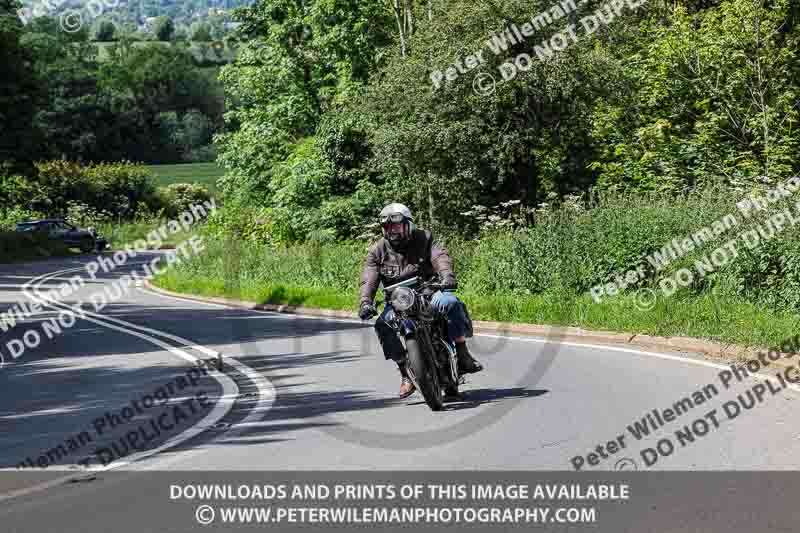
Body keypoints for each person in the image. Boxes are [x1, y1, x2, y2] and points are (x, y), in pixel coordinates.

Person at [358, 203, 483, 398]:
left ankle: (462, 351)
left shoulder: (424, 238)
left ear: (408, 225)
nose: (393, 230)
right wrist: (366, 301)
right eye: (388, 227)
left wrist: (446, 276)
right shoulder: (377, 251)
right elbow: (369, 277)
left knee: (451, 303)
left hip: (429, 291)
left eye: (397, 226)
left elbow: (440, 256)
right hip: (398, 301)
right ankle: (405, 374)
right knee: (382, 324)